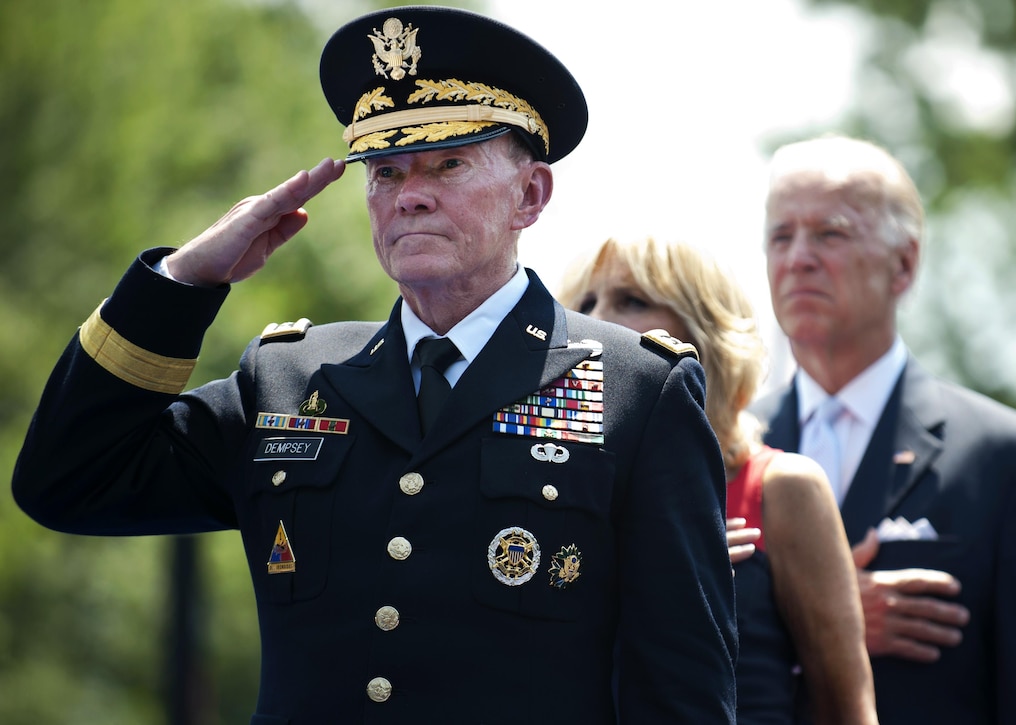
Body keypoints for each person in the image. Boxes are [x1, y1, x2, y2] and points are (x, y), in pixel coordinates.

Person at [11, 8, 738, 723]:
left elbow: (681, 695)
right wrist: (179, 284)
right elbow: (68, 481)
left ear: (531, 195)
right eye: (384, 171)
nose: (410, 194)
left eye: (448, 162)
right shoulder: (288, 378)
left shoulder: (637, 389)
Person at [750, 133, 1016, 724]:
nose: (798, 256)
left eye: (830, 233)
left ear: (903, 264)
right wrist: (833, 619)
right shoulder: (720, 447)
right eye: (781, 235)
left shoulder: (1010, 462)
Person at [559, 237, 877, 725]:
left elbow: (846, 710)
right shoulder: (552, 494)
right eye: (584, 304)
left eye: (632, 301)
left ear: (706, 336)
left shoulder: (782, 488)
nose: (598, 320)